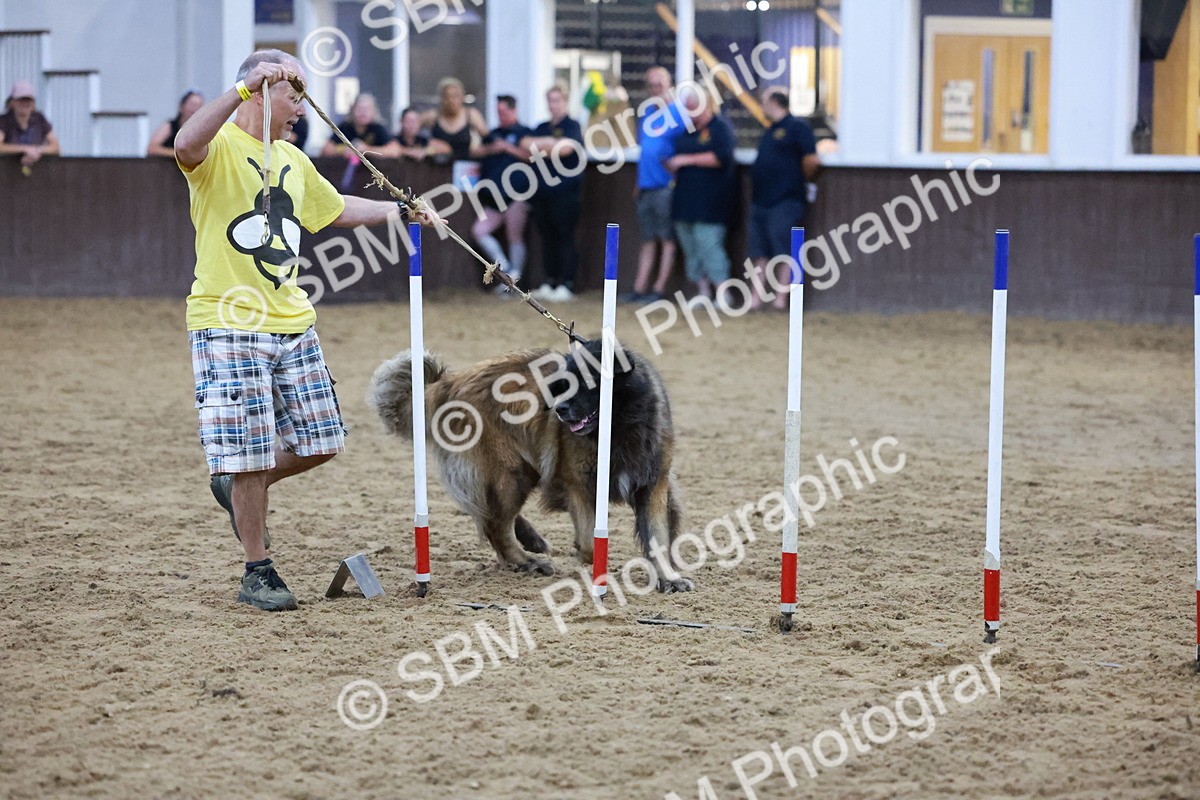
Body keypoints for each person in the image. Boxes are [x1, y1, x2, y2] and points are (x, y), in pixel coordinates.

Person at [174, 49, 438, 611]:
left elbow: (334, 207)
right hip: (227, 319)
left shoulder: (293, 159)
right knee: (246, 452)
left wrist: (400, 210)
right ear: (263, 89)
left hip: (293, 319)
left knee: (323, 441)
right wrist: (243, 90)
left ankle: (243, 487)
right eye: (295, 95)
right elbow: (184, 145)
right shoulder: (219, 146)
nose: (302, 108)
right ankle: (257, 570)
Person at [748, 89, 819, 310]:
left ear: (775, 102)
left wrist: (795, 181)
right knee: (759, 251)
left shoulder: (797, 127)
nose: (762, 106)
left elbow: (811, 160)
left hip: (785, 200)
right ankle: (755, 298)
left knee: (784, 249)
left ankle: (780, 299)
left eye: (764, 101)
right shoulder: (771, 130)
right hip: (761, 200)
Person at [666, 90, 736, 303]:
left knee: (709, 246)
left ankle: (724, 295)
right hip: (684, 202)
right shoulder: (686, 132)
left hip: (711, 204)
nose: (688, 112)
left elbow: (721, 157)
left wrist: (685, 160)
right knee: (691, 249)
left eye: (692, 107)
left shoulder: (720, 128)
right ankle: (703, 293)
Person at [623, 66, 686, 304]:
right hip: (646, 185)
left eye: (659, 84)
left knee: (666, 238)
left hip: (666, 186)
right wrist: (639, 182)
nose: (655, 89)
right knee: (648, 238)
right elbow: (646, 151)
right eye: (651, 85)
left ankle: (658, 289)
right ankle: (640, 288)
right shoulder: (647, 113)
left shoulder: (678, 113)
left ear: (669, 85)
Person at [521, 85, 584, 302]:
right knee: (546, 238)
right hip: (542, 193)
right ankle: (550, 280)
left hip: (566, 194)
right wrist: (550, 144)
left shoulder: (572, 125)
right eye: (550, 100)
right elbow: (525, 144)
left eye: (557, 100)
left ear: (565, 102)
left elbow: (566, 148)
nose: (553, 105)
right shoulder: (541, 126)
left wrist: (544, 146)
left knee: (564, 236)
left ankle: (566, 283)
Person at [470, 95, 531, 292]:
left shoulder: (524, 133)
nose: (500, 115)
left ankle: (516, 282)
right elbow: (475, 151)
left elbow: (532, 156)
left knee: (515, 235)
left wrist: (507, 148)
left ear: (513, 110)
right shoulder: (493, 134)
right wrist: (491, 148)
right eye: (498, 112)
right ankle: (507, 272)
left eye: (503, 112)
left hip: (517, 195)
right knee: (479, 231)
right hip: (494, 197)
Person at [422, 77, 487, 162]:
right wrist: (426, 144)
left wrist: (479, 148)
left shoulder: (471, 115)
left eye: (455, 96)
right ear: (442, 99)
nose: (451, 101)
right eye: (447, 97)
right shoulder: (433, 116)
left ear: (462, 97)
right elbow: (410, 129)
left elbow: (487, 138)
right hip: (437, 168)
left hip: (465, 167)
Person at [0, 80, 60, 169]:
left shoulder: (40, 119)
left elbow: (56, 147)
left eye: (28, 99)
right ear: (12, 102)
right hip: (8, 173)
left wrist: (37, 151)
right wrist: (25, 149)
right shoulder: (4, 121)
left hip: (38, 172)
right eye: (21, 99)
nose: (25, 103)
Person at [320, 93, 399, 158]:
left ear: (374, 112)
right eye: (359, 109)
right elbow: (326, 150)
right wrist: (343, 150)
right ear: (352, 111)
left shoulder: (378, 128)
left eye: (367, 109)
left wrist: (367, 150)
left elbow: (394, 151)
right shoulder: (345, 127)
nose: (363, 113)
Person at [147, 89, 204, 157]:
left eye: (198, 105)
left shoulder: (203, 130)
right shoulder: (170, 126)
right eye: (191, 104)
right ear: (182, 106)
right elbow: (152, 148)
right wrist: (177, 154)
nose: (194, 109)